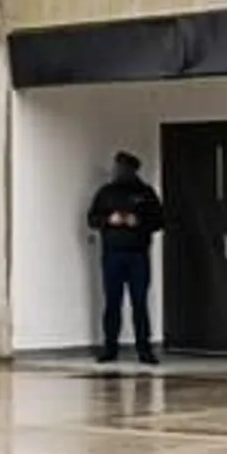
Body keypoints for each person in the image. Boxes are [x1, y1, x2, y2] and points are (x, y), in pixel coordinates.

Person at [87, 150, 165, 365]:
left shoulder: (146, 193)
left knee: (139, 302)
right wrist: (109, 219)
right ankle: (110, 347)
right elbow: (92, 219)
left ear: (132, 170)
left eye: (121, 168)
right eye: (116, 167)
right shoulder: (106, 193)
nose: (117, 171)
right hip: (112, 254)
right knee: (112, 302)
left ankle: (144, 348)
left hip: (138, 254)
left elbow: (159, 221)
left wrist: (137, 221)